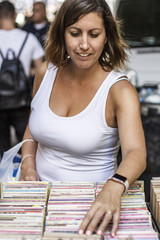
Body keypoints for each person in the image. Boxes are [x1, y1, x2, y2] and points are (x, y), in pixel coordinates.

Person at [20, 0, 147, 237]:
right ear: (62, 33)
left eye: (94, 34)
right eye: (75, 33)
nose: (84, 45)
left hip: (95, 205)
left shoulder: (120, 90)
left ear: (107, 36)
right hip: (39, 203)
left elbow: (136, 153)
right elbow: (32, 129)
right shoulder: (45, 72)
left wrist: (116, 185)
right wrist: (27, 164)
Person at [0, 1, 44, 157]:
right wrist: (26, 71)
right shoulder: (29, 38)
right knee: (25, 144)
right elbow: (40, 68)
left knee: (2, 148)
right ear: (14, 15)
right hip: (22, 101)